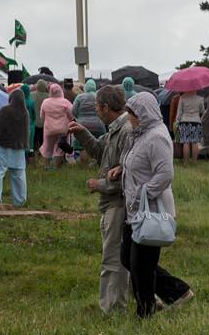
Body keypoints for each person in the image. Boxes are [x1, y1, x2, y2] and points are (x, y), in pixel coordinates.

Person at [113, 91, 181, 318]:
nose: (129, 118)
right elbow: (137, 160)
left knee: (142, 265)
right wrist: (122, 169)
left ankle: (146, 310)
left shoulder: (157, 137)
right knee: (127, 258)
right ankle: (175, 292)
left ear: (143, 114)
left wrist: (144, 194)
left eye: (132, 114)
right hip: (134, 208)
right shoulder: (140, 134)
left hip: (149, 209)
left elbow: (165, 174)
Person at [72, 86, 132, 314]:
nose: (96, 110)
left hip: (117, 203)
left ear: (106, 108)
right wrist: (82, 132)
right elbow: (100, 150)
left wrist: (100, 185)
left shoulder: (125, 131)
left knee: (112, 258)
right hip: (111, 203)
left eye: (97, 106)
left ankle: (113, 309)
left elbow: (127, 175)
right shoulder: (115, 130)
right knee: (124, 257)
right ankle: (145, 301)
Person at [0, 89, 29, 207]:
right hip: (19, 146)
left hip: (3, 144)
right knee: (18, 174)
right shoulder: (25, 113)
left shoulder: (4, 110)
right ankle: (20, 201)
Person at [39, 83, 75, 169]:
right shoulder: (65, 102)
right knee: (59, 149)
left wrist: (46, 122)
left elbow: (42, 115)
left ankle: (47, 166)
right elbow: (72, 114)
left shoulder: (45, 102)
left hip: (49, 129)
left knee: (47, 147)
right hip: (62, 129)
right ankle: (56, 167)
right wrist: (70, 121)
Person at [171, 87, 204, 163]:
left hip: (184, 121)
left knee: (186, 142)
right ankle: (194, 161)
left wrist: (177, 121)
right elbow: (202, 111)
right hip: (196, 121)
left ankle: (186, 161)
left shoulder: (182, 98)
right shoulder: (200, 98)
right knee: (195, 142)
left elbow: (179, 112)